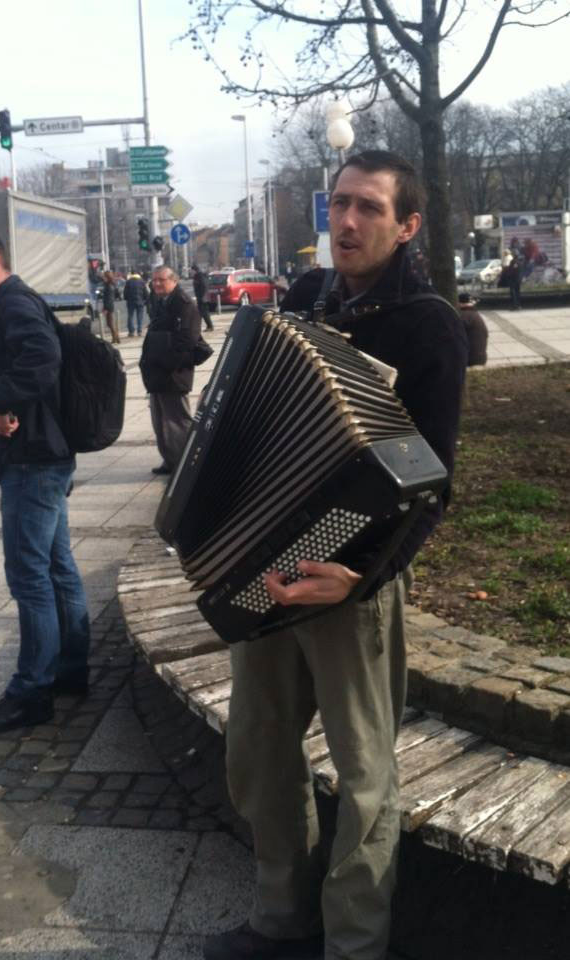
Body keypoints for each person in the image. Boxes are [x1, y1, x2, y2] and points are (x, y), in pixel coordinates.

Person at [203, 151, 467, 960]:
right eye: (340, 204)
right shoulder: (307, 297)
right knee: (258, 752)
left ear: (406, 225)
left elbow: (432, 484)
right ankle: (282, 917)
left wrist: (364, 574)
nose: (347, 221)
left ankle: (354, 944)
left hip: (352, 584)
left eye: (369, 208)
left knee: (363, 776)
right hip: (270, 570)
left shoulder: (427, 325)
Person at [0, 230, 90, 736]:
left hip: (32, 461)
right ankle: (70, 669)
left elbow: (42, 357)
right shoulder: (14, 301)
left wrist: (0, 401)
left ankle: (32, 691)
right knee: (57, 567)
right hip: (44, 454)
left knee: (29, 577)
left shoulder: (14, 303)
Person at [139, 266, 201, 476]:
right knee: (160, 421)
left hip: (172, 373)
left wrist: (168, 364)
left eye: (161, 280)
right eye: (154, 280)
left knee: (177, 421)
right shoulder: (162, 302)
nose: (156, 284)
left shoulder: (184, 305)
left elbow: (187, 341)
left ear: (174, 281)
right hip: (158, 373)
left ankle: (186, 463)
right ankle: (171, 459)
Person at [458, 293, 489, 366]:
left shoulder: (463, 316)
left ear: (459, 303)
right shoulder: (475, 314)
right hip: (481, 358)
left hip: (470, 360)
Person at [123, 269, 149, 337]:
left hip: (130, 302)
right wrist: (145, 300)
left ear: (131, 274)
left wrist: (126, 298)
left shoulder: (128, 282)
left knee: (130, 316)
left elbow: (125, 292)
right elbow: (145, 292)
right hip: (140, 301)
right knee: (139, 317)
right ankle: (139, 331)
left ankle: (131, 331)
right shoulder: (142, 281)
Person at [192, 264, 214, 331]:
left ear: (194, 270)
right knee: (201, 313)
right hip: (202, 297)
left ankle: (210, 326)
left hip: (202, 298)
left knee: (204, 313)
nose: (191, 272)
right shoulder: (199, 275)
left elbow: (204, 286)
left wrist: (202, 297)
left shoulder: (199, 276)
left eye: (191, 270)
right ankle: (207, 326)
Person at [102, 270, 120, 343]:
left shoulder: (108, 286)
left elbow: (109, 298)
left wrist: (106, 308)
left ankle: (116, 337)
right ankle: (116, 337)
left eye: (104, 276)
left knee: (110, 323)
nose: (103, 278)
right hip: (110, 306)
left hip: (109, 306)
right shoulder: (110, 285)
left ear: (107, 277)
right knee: (110, 323)